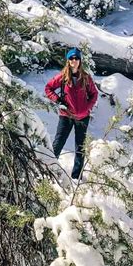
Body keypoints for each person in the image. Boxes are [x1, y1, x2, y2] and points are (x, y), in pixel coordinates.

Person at [44, 47, 98, 179]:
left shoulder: (85, 78)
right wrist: (57, 100)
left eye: (76, 58)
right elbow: (48, 88)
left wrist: (87, 108)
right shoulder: (62, 77)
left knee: (80, 148)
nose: (74, 61)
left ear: (80, 61)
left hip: (82, 117)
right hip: (66, 115)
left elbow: (94, 94)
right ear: (68, 61)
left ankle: (76, 177)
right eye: (71, 58)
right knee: (58, 143)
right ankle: (50, 170)